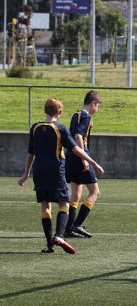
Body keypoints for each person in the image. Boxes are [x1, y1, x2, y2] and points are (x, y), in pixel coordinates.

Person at [17, 98, 104, 254]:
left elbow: (30, 152)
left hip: (39, 171)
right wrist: (93, 163)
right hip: (56, 171)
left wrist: (25, 174)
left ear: (45, 110)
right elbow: (76, 149)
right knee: (64, 203)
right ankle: (60, 235)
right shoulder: (60, 128)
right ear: (60, 112)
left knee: (46, 205)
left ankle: (49, 245)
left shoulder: (35, 127)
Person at [65, 90, 102, 238]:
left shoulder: (76, 114)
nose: (97, 109)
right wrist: (85, 159)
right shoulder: (86, 116)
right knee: (95, 192)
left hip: (71, 157)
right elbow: (78, 136)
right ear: (93, 103)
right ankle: (77, 224)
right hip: (80, 157)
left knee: (76, 194)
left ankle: (68, 228)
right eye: (98, 105)